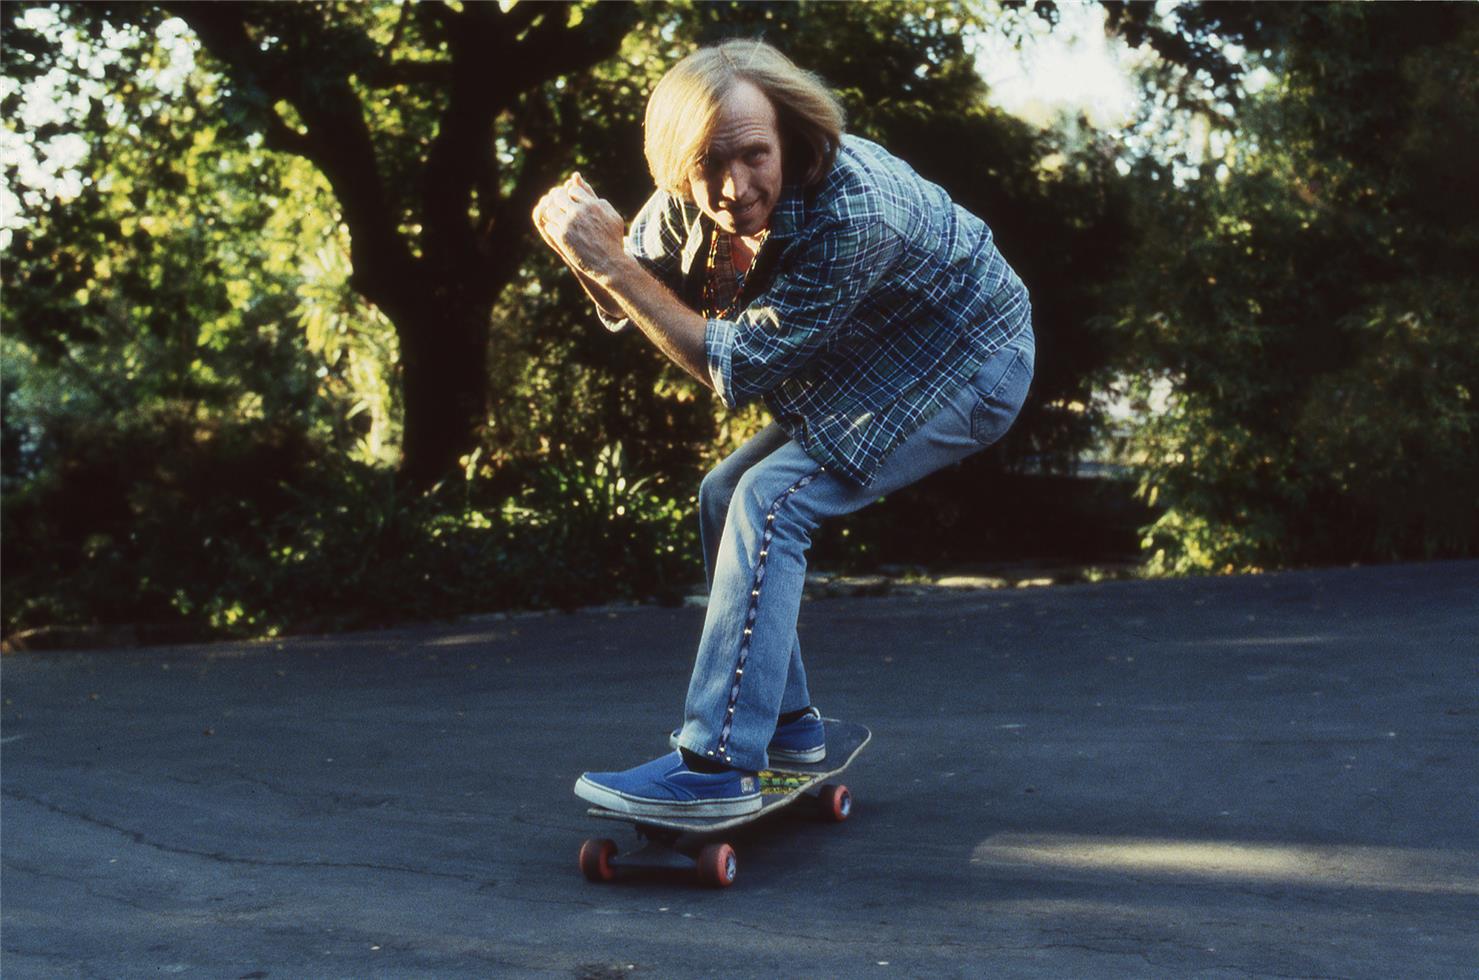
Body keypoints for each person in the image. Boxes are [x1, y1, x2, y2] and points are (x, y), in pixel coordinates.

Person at [532, 39, 1034, 818]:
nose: (733, 188)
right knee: (723, 491)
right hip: (871, 360)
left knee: (771, 501)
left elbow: (734, 370)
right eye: (706, 164)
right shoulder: (687, 193)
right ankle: (790, 729)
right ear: (676, 162)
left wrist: (610, 265)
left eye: (753, 156)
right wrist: (581, 249)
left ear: (789, 137)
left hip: (970, 362)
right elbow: (631, 292)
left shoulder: (855, 209)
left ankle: (717, 763)